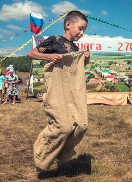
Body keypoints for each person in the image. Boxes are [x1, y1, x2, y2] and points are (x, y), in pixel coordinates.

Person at [27, 10, 90, 171]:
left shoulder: (75, 48)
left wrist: (86, 58)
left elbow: (78, 69)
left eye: (84, 30)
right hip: (56, 90)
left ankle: (62, 154)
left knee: (81, 125)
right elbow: (31, 54)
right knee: (64, 127)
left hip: (72, 91)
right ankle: (41, 156)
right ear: (68, 24)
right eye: (80, 28)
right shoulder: (53, 41)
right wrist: (49, 56)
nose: (82, 33)